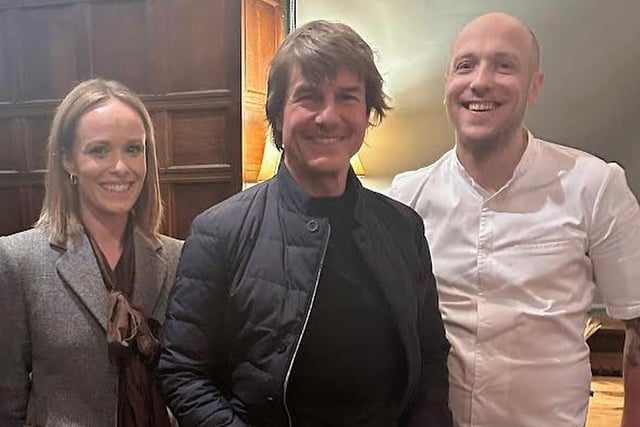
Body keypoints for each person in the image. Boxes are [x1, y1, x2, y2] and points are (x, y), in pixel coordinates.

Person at [159, 20, 452, 427]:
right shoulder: (218, 232)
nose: (328, 116)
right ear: (278, 113)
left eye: (347, 97)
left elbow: (432, 356)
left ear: (367, 113)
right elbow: (183, 373)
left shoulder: (404, 228)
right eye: (309, 97)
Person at [390, 12, 640, 427]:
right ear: (447, 84)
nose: (481, 81)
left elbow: (637, 320)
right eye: (465, 65)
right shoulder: (407, 197)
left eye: (504, 65)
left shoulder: (595, 186)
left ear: (534, 85)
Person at [0, 78, 183, 427]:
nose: (121, 167)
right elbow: (7, 401)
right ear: (68, 159)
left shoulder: (179, 258)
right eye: (99, 150)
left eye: (133, 149)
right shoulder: (18, 261)